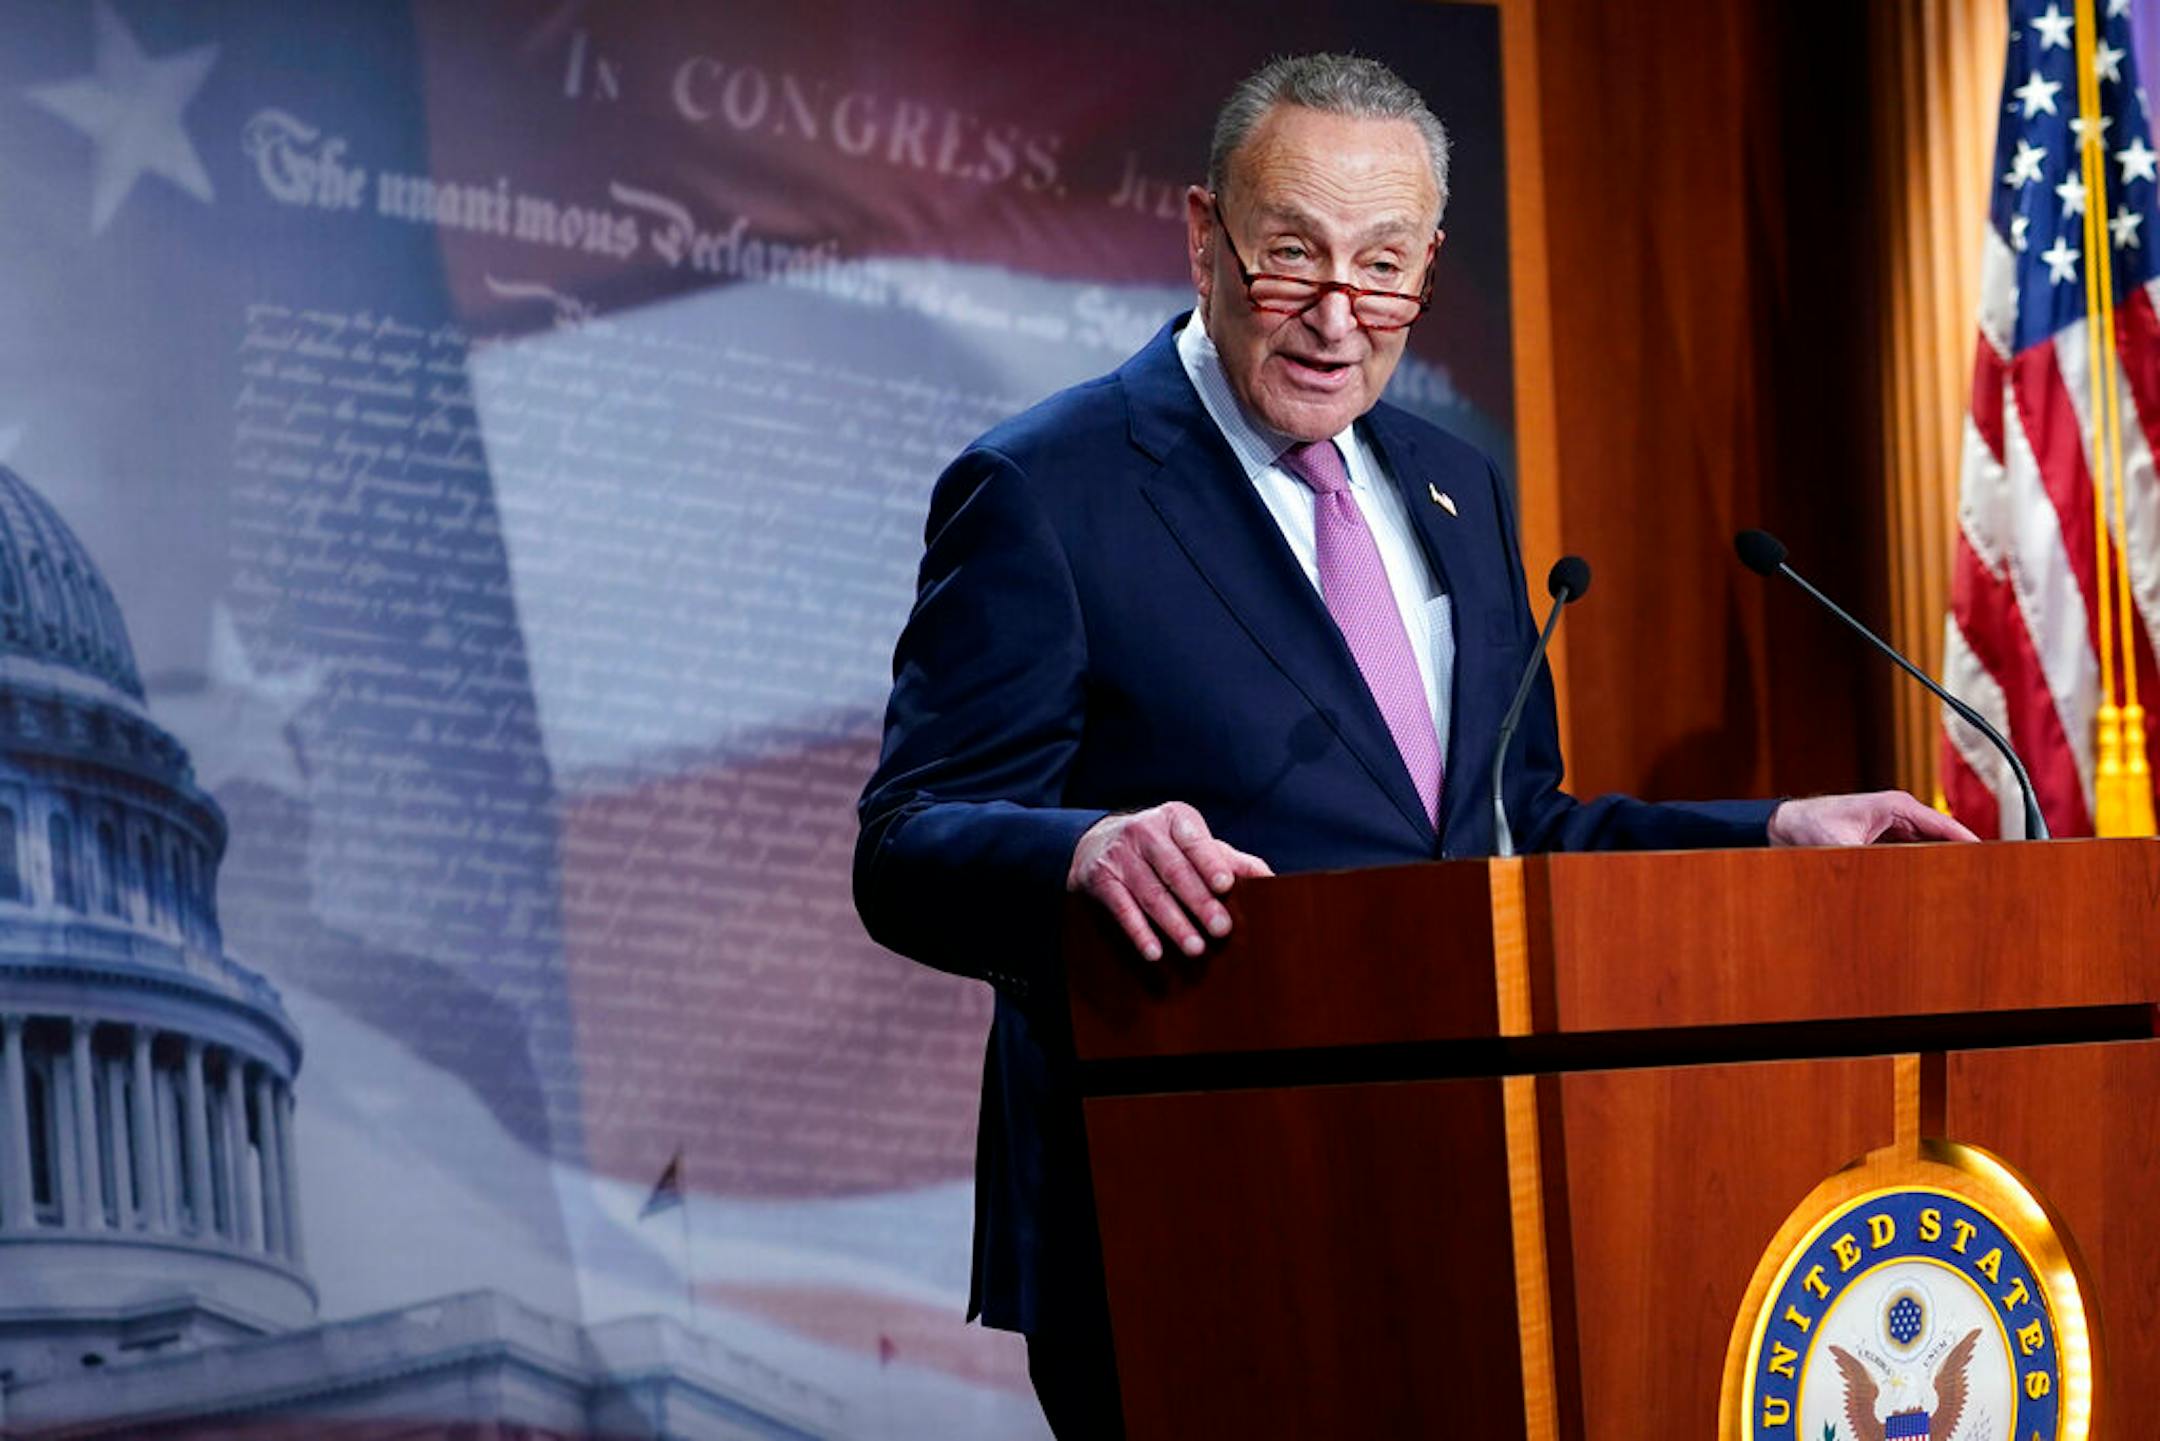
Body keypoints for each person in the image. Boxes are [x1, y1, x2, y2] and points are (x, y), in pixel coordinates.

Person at [854, 52, 1972, 1438]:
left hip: (1458, 1198)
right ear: (1203, 234)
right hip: (1185, 1212)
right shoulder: (1045, 487)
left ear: (1430, 259)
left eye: (1384, 268)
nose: (1339, 316)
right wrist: (1079, 847)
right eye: (1292, 260)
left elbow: (1512, 833)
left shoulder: (1454, 481)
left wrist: (1773, 832)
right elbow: (905, 842)